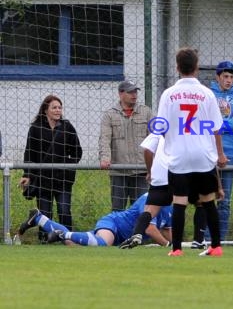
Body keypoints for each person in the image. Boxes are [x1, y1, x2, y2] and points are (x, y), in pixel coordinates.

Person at [156, 47, 228, 257]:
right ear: (197, 68)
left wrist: (172, 142)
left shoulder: (169, 94)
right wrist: (220, 154)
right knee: (208, 200)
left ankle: (177, 249)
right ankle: (216, 246)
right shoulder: (206, 94)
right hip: (203, 156)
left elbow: (160, 127)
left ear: (177, 67)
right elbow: (216, 128)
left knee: (179, 201)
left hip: (179, 155)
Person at [118, 133, 208, 250]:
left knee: (150, 210)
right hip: (180, 173)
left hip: (160, 176)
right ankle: (198, 240)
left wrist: (150, 171)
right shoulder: (187, 128)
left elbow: (147, 150)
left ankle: (137, 234)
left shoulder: (161, 126)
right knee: (199, 203)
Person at [19, 95, 83, 242]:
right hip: (42, 180)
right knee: (45, 213)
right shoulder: (36, 129)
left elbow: (77, 151)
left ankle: (68, 239)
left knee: (64, 211)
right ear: (45, 109)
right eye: (54, 107)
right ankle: (44, 240)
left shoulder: (67, 127)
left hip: (63, 180)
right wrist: (27, 174)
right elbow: (29, 153)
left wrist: (67, 165)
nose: (57, 110)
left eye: (60, 107)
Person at [16, 192, 171, 247]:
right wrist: (167, 245)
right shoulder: (150, 198)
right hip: (113, 224)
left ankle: (39, 219)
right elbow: (149, 229)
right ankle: (62, 234)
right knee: (103, 243)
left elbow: (167, 230)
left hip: (120, 237)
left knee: (72, 244)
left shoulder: (171, 204)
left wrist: (176, 246)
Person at [99, 80, 154, 211]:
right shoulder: (109, 115)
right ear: (121, 94)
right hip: (119, 171)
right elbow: (104, 138)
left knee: (142, 209)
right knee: (118, 209)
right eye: (130, 92)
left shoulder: (146, 112)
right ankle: (118, 232)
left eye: (135, 91)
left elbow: (154, 138)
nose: (134, 95)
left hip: (141, 170)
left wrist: (153, 164)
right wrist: (105, 158)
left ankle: (140, 232)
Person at [209, 60, 233, 241]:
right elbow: (203, 123)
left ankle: (220, 239)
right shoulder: (208, 95)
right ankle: (205, 238)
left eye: (232, 77)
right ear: (218, 77)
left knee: (225, 201)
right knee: (207, 198)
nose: (229, 80)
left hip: (229, 153)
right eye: (225, 76)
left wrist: (217, 124)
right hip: (208, 151)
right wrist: (227, 123)